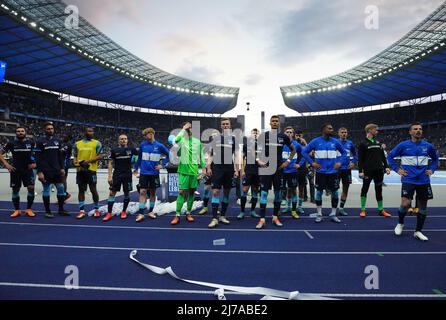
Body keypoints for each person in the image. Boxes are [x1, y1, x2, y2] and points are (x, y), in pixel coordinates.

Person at [388, 122, 439, 241]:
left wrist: (432, 169)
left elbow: (435, 159)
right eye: (415, 129)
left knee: (422, 207)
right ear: (410, 132)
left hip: (424, 180)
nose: (418, 131)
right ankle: (400, 223)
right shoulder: (403, 145)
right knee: (405, 204)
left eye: (420, 129)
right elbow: (390, 156)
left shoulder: (428, 146)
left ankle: (418, 231)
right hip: (408, 179)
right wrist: (397, 169)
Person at [255, 115, 296, 229]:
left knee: (277, 194)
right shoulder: (264, 136)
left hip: (278, 169)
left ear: (279, 123)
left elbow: (294, 149)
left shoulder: (284, 137)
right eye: (273, 121)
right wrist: (258, 160)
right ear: (270, 123)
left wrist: (287, 161)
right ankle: (262, 219)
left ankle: (275, 217)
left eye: (276, 121)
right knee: (263, 194)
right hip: (266, 168)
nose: (274, 123)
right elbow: (256, 149)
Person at [302, 123, 347, 224]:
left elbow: (344, 153)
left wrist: (339, 162)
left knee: (335, 192)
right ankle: (319, 214)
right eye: (329, 128)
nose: (332, 130)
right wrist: (312, 163)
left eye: (332, 128)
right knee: (318, 192)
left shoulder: (335, 142)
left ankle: (333, 214)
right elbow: (304, 152)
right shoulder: (315, 141)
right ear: (323, 130)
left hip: (333, 172)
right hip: (321, 172)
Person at [206, 118, 239, 229]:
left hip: (229, 169)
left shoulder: (234, 139)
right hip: (217, 168)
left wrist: (236, 169)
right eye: (223, 124)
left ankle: (223, 216)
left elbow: (236, 155)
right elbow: (210, 154)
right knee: (215, 192)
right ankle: (214, 218)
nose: (225, 125)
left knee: (226, 193)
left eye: (227, 124)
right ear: (221, 126)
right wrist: (208, 166)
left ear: (230, 126)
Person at [170, 122, 206, 225]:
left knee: (191, 192)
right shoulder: (182, 139)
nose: (189, 129)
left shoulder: (197, 142)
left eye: (190, 127)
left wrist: (203, 168)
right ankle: (177, 215)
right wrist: (183, 129)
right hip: (183, 171)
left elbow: (201, 155)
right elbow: (175, 140)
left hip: (194, 171)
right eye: (187, 128)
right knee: (181, 192)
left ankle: (188, 213)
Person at [134, 128, 170, 222]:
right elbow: (139, 158)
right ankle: (141, 213)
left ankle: (151, 211)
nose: (147, 136)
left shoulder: (159, 146)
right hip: (144, 173)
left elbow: (169, 155)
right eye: (145, 135)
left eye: (148, 133)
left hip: (154, 173)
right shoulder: (143, 145)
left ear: (152, 133)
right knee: (142, 192)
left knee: (153, 193)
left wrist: (162, 165)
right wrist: (136, 168)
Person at [34, 122, 69, 218]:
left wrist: (62, 168)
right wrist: (39, 172)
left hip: (57, 170)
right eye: (48, 129)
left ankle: (61, 209)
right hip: (46, 170)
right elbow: (37, 157)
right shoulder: (40, 141)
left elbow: (60, 156)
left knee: (61, 189)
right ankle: (48, 211)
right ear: (44, 130)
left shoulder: (58, 141)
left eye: (51, 128)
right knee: (46, 190)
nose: (50, 130)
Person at [0, 126, 36, 218]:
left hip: (28, 170)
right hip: (15, 170)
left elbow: (40, 154)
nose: (20, 132)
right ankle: (17, 210)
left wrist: (36, 164)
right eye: (18, 131)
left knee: (31, 188)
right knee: (15, 190)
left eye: (22, 131)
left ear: (25, 132)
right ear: (16, 133)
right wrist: (6, 164)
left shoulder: (31, 143)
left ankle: (29, 209)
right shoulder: (11, 143)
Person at [357, 124, 391, 218]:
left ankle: (381, 209)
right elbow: (360, 159)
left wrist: (386, 167)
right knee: (365, 189)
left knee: (379, 190)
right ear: (370, 130)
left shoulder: (378, 143)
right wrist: (360, 171)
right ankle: (363, 209)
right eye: (376, 130)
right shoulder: (363, 143)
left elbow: (382, 157)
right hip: (368, 171)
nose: (377, 131)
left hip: (379, 171)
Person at [103, 134, 138, 222]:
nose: (123, 140)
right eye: (122, 139)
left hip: (127, 174)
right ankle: (109, 213)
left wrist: (136, 169)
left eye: (125, 139)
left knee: (126, 193)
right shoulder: (114, 150)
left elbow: (138, 159)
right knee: (112, 193)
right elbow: (110, 163)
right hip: (117, 174)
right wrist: (109, 176)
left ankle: (123, 211)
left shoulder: (132, 149)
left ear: (127, 140)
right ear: (119, 140)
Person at [75, 127, 105, 219]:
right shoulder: (77, 144)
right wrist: (76, 163)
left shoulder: (97, 143)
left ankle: (96, 209)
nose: (91, 133)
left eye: (92, 131)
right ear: (85, 132)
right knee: (81, 190)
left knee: (93, 190)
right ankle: (81, 211)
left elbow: (100, 155)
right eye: (89, 131)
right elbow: (75, 156)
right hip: (80, 170)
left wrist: (87, 161)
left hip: (91, 170)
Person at [281, 127, 305, 219]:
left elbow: (303, 156)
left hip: (293, 171)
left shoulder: (297, 145)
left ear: (293, 134)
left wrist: (299, 164)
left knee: (294, 190)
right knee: (283, 190)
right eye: (287, 132)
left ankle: (294, 211)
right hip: (282, 171)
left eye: (291, 132)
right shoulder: (281, 144)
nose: (289, 133)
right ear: (284, 133)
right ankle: (287, 207)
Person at [238, 128, 261, 219]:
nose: (255, 134)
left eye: (257, 133)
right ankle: (242, 212)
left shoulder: (262, 146)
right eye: (253, 133)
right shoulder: (246, 145)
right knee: (244, 191)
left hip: (258, 172)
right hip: (248, 171)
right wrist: (242, 170)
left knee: (255, 191)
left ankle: (253, 211)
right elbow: (242, 158)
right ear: (250, 135)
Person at [337, 127, 357, 216]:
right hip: (336, 170)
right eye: (342, 132)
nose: (344, 134)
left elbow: (355, 154)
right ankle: (333, 208)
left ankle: (341, 208)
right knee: (334, 189)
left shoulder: (350, 143)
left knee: (345, 189)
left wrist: (353, 162)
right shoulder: (335, 143)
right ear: (339, 133)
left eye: (345, 132)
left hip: (347, 170)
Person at [60, 134, 73, 202]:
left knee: (63, 180)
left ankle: (64, 195)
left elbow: (61, 153)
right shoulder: (65, 144)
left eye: (64, 136)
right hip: (63, 164)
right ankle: (64, 194)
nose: (62, 137)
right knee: (61, 180)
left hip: (64, 164)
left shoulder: (67, 145)